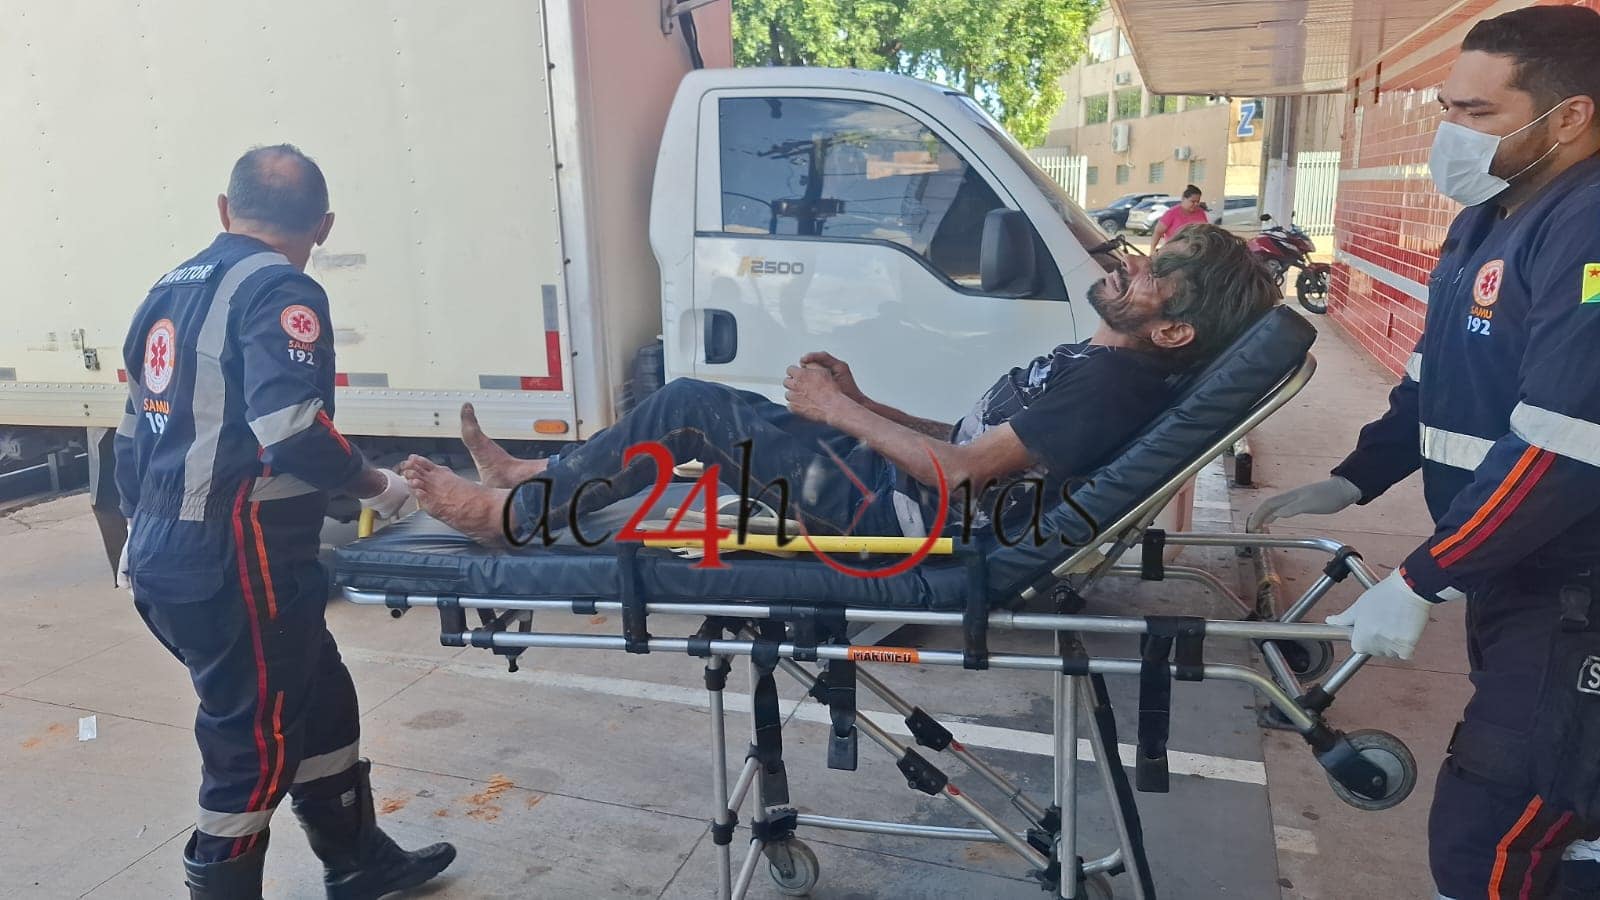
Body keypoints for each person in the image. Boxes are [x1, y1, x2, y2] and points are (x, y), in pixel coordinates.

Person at [1247, 7, 1600, 898]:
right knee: (1567, 813)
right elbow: (1432, 380)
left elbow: (1565, 444)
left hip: (1574, 587)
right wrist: (1355, 475)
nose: (1452, 133)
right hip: (1513, 574)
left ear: (1569, 117)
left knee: (1492, 840)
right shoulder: (1487, 218)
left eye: (1477, 113)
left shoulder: (1588, 225)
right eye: (1447, 108)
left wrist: (1423, 578)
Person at [400, 224, 1278, 547]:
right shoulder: (1102, 369)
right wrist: (866, 404)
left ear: (1174, 330)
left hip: (899, 517)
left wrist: (838, 411)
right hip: (897, 484)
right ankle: (534, 478)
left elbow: (959, 476)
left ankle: (510, 517)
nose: (1132, 263)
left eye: (1157, 271)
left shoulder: (1110, 388)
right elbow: (965, 440)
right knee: (708, 405)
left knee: (689, 407)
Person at [115, 145, 456, 899]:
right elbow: (291, 426)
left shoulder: (166, 289)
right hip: (240, 559)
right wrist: (377, 486)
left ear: (224, 209)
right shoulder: (280, 288)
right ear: (323, 225)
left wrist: (141, 532)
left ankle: (359, 863)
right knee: (252, 744)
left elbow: (133, 433)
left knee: (321, 698)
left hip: (177, 553)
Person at [1149, 184, 1210, 252]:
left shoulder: (1201, 212)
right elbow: (1158, 232)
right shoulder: (1171, 213)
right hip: (1175, 252)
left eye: (1198, 201)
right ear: (1183, 199)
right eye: (1193, 201)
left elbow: (1206, 231)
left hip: (1197, 252)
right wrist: (1152, 250)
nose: (1196, 204)